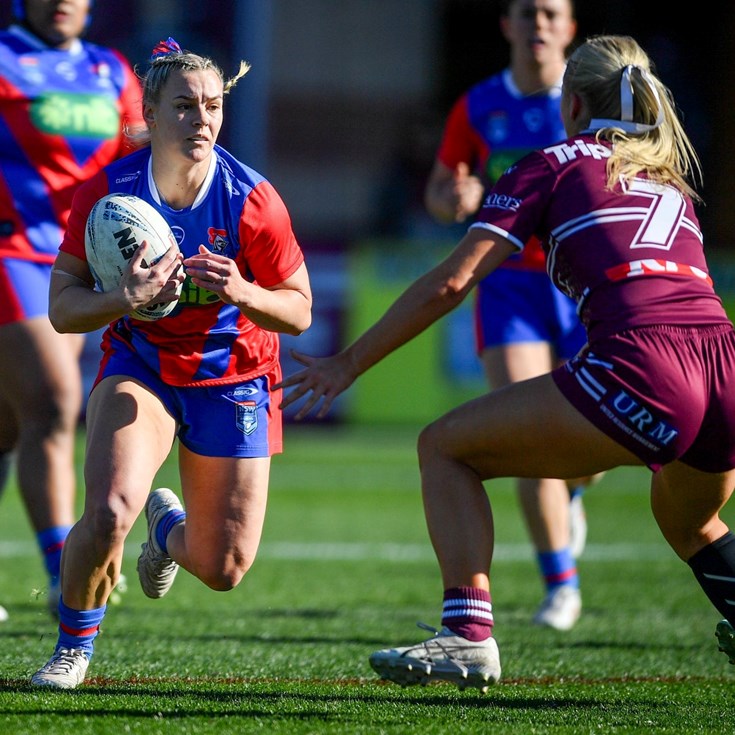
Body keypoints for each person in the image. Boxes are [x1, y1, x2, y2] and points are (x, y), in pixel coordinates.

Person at [277, 33, 735, 691]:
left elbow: (451, 282)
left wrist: (348, 362)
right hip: (722, 367)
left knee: (445, 447)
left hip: (646, 362)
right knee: (690, 521)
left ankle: (467, 636)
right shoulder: (669, 183)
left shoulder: (549, 162)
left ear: (570, 105)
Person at [30, 37, 312, 689]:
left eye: (212, 105)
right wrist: (119, 298)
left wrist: (240, 290)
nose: (202, 119)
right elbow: (63, 307)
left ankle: (168, 530)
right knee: (105, 510)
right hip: (143, 365)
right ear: (150, 115)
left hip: (234, 375)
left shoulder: (252, 199)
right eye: (184, 106)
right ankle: (72, 647)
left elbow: (296, 311)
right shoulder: (107, 192)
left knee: (222, 566)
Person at [424, 0, 592, 631]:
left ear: (571, 29)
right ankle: (560, 584)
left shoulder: (590, 98)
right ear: (507, 25)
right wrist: (454, 199)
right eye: (527, 12)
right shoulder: (479, 105)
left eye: (551, 13)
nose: (538, 24)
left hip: (585, 284)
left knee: (595, 445)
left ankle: (576, 489)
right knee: (530, 426)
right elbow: (441, 190)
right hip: (511, 285)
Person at [0, 0, 143, 620]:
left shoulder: (111, 71)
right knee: (56, 402)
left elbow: (141, 151)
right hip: (9, 249)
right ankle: (66, 571)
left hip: (77, 261)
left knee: (13, 424)